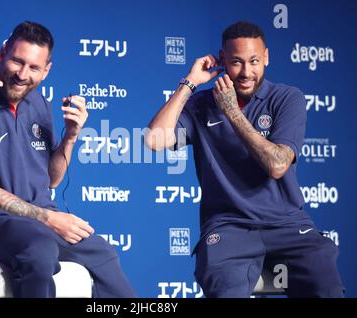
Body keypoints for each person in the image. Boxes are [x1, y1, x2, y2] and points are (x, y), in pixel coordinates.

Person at [145, 21, 344, 298]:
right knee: (224, 290)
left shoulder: (286, 98)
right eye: (236, 62)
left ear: (266, 58)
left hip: (286, 223)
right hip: (228, 227)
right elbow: (153, 141)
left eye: (254, 61)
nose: (246, 72)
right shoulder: (201, 104)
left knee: (327, 288)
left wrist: (232, 113)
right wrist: (189, 83)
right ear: (222, 60)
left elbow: (277, 165)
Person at [0, 21, 135, 298]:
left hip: (41, 222)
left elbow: (52, 178)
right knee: (39, 249)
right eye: (17, 61)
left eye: (34, 67)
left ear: (46, 70)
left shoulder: (40, 105)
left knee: (102, 253)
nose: (23, 74)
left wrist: (71, 135)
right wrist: (50, 219)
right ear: (2, 54)